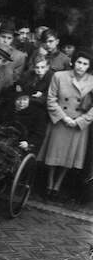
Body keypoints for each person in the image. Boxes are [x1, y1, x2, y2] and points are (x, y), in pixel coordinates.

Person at [38, 49, 93, 201]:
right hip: (60, 121)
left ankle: (57, 186)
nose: (81, 66)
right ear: (73, 62)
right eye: (79, 62)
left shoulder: (92, 81)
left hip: (78, 124)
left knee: (69, 158)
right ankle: (49, 185)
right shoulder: (59, 76)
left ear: (89, 66)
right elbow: (51, 99)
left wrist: (80, 121)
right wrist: (64, 118)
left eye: (85, 64)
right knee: (53, 155)